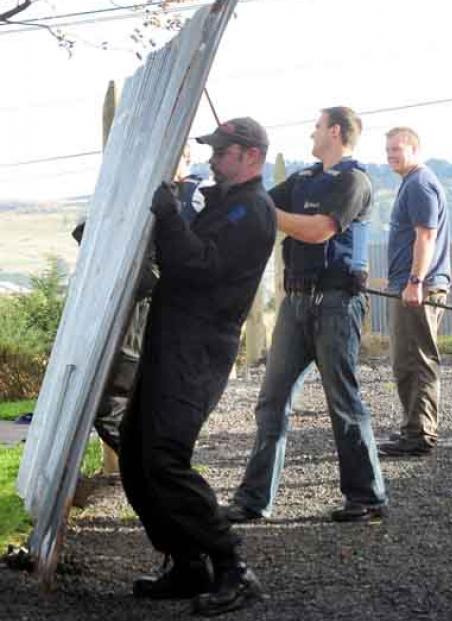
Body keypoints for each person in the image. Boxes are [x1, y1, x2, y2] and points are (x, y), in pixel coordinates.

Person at [118, 117, 275, 616]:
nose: (213, 158)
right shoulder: (226, 204)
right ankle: (187, 563)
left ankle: (233, 567)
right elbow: (183, 258)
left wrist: (168, 216)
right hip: (173, 339)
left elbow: (198, 265)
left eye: (223, 151)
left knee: (164, 457)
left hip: (198, 349)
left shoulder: (252, 212)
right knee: (136, 453)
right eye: (213, 150)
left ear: (251, 155)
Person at [225, 106, 387, 524]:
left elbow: (319, 230)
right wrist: (233, 190)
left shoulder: (354, 181)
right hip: (295, 304)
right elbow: (254, 202)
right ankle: (253, 500)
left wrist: (265, 213)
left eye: (316, 127)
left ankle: (367, 498)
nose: (311, 134)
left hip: (337, 303)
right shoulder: (303, 179)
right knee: (271, 403)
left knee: (343, 401)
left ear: (334, 131)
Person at [71, 147, 202, 455]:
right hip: (135, 300)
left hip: (149, 304)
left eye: (176, 156)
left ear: (186, 158)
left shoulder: (192, 196)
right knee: (124, 398)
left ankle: (155, 469)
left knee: (112, 398)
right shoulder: (145, 192)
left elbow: (185, 253)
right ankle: (157, 468)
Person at [376, 127, 451, 457]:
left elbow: (426, 236)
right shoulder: (412, 182)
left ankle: (420, 433)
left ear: (415, 149)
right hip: (412, 284)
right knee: (405, 360)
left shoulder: (420, 184)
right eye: (388, 149)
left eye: (397, 149)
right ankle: (413, 428)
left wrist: (416, 281)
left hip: (421, 286)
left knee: (417, 358)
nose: (391, 154)